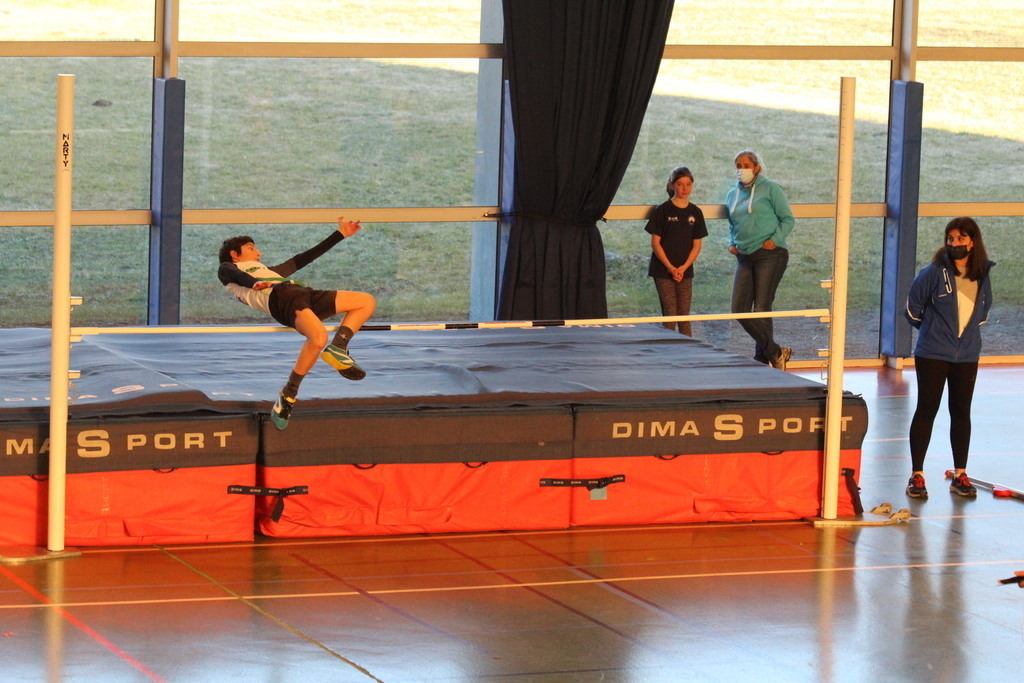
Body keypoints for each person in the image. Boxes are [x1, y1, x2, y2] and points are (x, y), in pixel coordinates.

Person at [217, 217, 376, 430]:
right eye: (251, 248)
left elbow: (304, 258)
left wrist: (340, 235)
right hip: (281, 298)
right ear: (235, 254)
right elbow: (232, 273)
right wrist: (255, 283)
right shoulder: (230, 270)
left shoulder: (270, 271)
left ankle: (339, 347)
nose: (258, 252)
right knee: (318, 338)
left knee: (365, 301)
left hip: (303, 292)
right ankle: (289, 393)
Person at [904, 216, 994, 498]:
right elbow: (912, 311)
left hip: (966, 355)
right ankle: (917, 476)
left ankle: (960, 475)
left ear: (973, 242)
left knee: (961, 413)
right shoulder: (932, 272)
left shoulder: (982, 273)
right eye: (950, 239)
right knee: (926, 410)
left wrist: (961, 339)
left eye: (960, 239)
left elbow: (983, 313)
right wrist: (933, 332)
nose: (954, 244)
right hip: (932, 353)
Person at [724, 150, 795, 370]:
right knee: (739, 309)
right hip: (744, 257)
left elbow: (787, 219)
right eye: (738, 164)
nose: (741, 169)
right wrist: (732, 243)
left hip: (769, 254)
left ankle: (764, 357)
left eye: (746, 164)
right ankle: (774, 352)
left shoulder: (770, 188)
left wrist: (774, 240)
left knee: (762, 307)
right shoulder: (731, 195)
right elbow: (733, 224)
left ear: (756, 167)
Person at [645, 166, 708, 336]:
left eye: (688, 184)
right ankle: (669, 352)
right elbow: (656, 243)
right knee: (670, 314)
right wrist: (671, 268)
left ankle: (688, 353)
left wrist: (683, 267)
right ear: (672, 185)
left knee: (684, 315)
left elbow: (697, 245)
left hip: (685, 271)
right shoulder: (662, 210)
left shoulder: (696, 212)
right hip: (663, 270)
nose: (684, 189)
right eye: (680, 184)